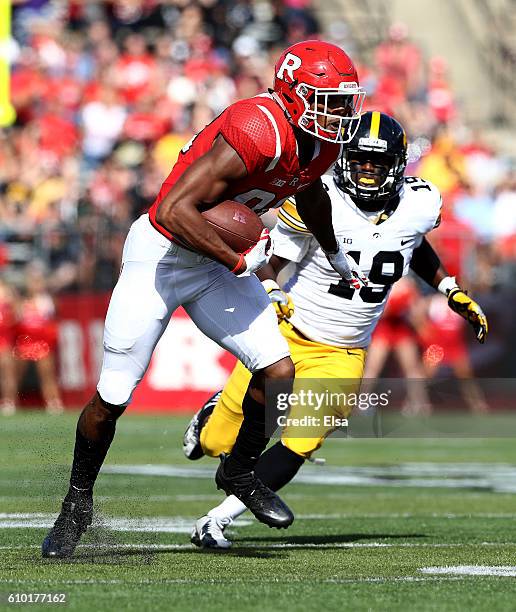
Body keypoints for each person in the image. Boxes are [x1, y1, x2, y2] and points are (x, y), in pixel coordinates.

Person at [42, 40, 368, 558]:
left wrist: (335, 253)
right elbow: (171, 210)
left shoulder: (319, 140)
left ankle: (238, 471)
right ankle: (75, 505)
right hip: (164, 256)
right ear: (292, 92)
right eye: (326, 100)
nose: (339, 113)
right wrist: (242, 263)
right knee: (112, 399)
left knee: (279, 370)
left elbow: (310, 191)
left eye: (344, 101)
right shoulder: (257, 129)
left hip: (216, 262)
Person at [182, 111, 489, 549]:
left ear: (397, 167)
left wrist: (449, 287)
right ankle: (214, 411)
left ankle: (216, 521)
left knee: (301, 440)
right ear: (345, 158)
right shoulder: (319, 198)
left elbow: (413, 243)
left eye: (377, 164)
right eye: (361, 161)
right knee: (216, 443)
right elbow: (273, 260)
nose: (367, 172)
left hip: (346, 350)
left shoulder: (419, 204)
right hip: (285, 338)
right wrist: (270, 287)